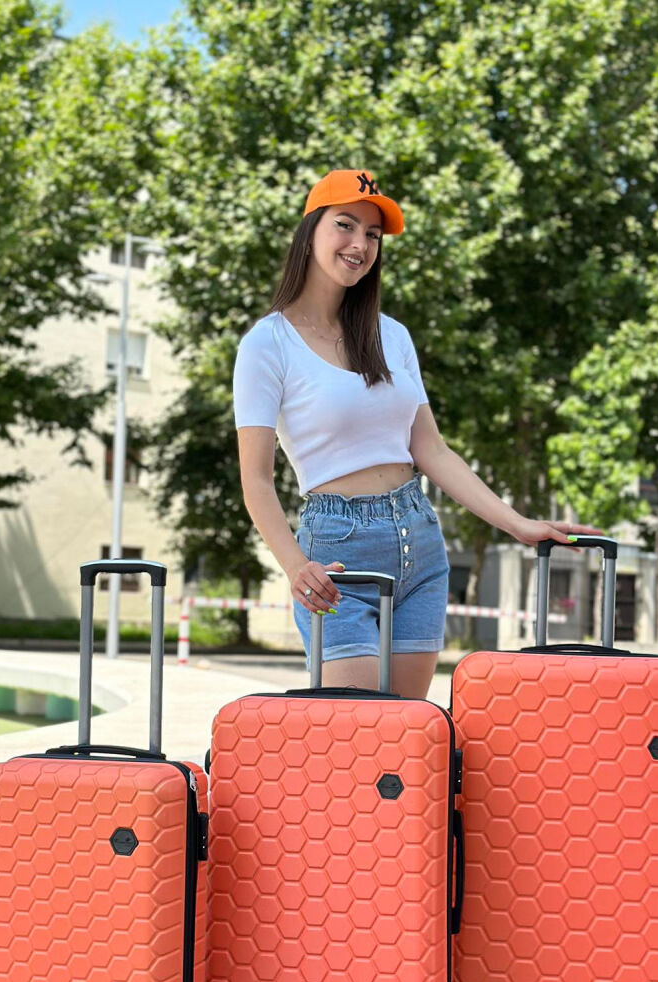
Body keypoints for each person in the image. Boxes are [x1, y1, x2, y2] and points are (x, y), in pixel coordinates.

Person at [233, 169, 600, 699]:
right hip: (336, 552)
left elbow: (430, 449)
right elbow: (256, 480)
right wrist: (294, 566)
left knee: (404, 738)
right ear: (310, 230)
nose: (360, 244)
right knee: (354, 735)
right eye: (345, 226)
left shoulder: (392, 335)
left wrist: (517, 524)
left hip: (419, 540)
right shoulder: (267, 344)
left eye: (373, 235)